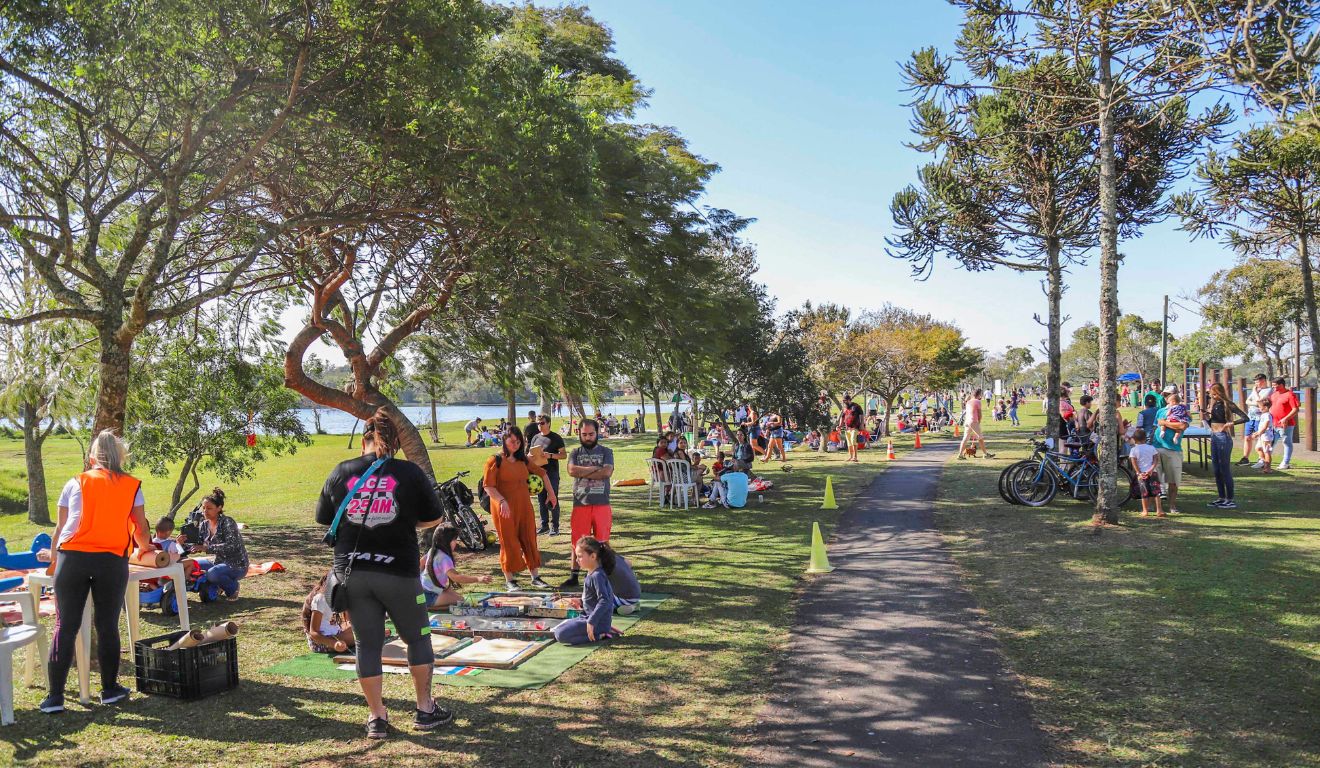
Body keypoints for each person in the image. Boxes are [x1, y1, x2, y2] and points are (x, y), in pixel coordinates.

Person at [315, 408, 451, 738]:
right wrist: (405, 521)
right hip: (399, 571)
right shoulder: (409, 472)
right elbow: (435, 517)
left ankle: (377, 717)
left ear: (364, 438)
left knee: (367, 644)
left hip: (353, 574)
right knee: (417, 638)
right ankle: (425, 709)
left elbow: (324, 518)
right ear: (396, 442)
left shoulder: (341, 471)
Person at [42, 430, 157, 714]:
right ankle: (110, 690)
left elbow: (60, 528)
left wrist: (54, 560)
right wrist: (146, 548)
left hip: (72, 558)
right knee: (107, 626)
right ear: (120, 457)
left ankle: (54, 697)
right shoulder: (132, 485)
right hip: (111, 560)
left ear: (92, 458)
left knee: (65, 626)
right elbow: (140, 528)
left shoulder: (75, 482)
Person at [483, 426, 556, 592]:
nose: (515, 445)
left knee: (529, 539)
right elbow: (488, 486)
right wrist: (502, 501)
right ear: (504, 440)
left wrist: (551, 494)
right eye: (512, 441)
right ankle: (510, 580)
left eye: (518, 442)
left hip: (524, 507)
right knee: (508, 541)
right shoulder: (495, 461)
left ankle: (535, 577)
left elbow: (543, 474)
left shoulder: (523, 459)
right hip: (504, 509)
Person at [561, 419, 614, 589]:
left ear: (597, 433)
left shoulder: (606, 451)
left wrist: (583, 472)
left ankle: (605, 574)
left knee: (603, 541)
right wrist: (594, 468)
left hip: (601, 503)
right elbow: (571, 470)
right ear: (579, 434)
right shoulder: (575, 453)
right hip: (580, 503)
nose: (588, 437)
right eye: (584, 434)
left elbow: (606, 472)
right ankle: (574, 576)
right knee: (577, 541)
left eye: (591, 434)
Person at [184, 488, 249, 601]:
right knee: (190, 564)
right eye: (204, 508)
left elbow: (231, 546)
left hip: (237, 565)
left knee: (212, 574)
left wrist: (206, 548)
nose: (205, 511)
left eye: (209, 508)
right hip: (218, 562)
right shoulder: (204, 524)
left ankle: (233, 588)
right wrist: (182, 545)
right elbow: (199, 544)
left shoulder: (227, 522)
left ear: (219, 508)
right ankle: (214, 586)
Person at [552, 537, 619, 646]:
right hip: (587, 618)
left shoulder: (597, 576)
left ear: (593, 556)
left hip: (596, 622)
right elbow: (593, 598)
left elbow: (605, 601)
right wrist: (580, 601)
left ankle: (600, 634)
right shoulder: (591, 573)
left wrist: (592, 621)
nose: (577, 560)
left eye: (580, 556)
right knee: (558, 629)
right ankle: (602, 631)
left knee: (560, 634)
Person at [420, 524, 493, 609]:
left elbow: (420, 564)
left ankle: (427, 603)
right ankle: (430, 607)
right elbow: (456, 577)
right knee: (461, 601)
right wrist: (478, 579)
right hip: (429, 596)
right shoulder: (444, 558)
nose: (456, 542)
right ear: (447, 541)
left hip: (421, 592)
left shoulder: (432, 551)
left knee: (457, 596)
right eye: (455, 539)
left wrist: (420, 580)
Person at [1202, 382, 1248, 510]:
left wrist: (1231, 423)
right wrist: (1207, 417)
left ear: (1219, 393)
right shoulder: (1215, 404)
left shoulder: (1228, 404)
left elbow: (1245, 418)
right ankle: (1221, 497)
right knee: (1216, 469)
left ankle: (1230, 499)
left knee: (1224, 469)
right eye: (1211, 394)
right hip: (1214, 436)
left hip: (1223, 438)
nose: (1212, 396)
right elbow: (1214, 421)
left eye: (1214, 394)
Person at [529, 416, 567, 536]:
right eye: (538, 423)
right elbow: (529, 453)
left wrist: (550, 455)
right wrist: (530, 457)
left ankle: (555, 527)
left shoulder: (556, 438)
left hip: (552, 473)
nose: (540, 425)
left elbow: (564, 455)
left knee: (552, 498)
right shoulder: (535, 437)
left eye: (542, 423)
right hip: (538, 473)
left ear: (549, 423)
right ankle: (544, 525)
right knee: (541, 500)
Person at [303, 572, 356, 654]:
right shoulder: (320, 599)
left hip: (336, 635)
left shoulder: (339, 598)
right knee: (360, 634)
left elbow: (349, 621)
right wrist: (334, 644)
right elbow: (313, 633)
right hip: (322, 642)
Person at [1152, 392, 1187, 514]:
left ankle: (1172, 506)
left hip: (1173, 450)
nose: (1170, 400)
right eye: (1167, 397)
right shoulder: (1160, 411)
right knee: (1155, 479)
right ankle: (1155, 506)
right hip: (1156, 447)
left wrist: (1165, 423)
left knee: (1173, 481)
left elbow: (1182, 425)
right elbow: (1157, 424)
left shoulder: (1183, 410)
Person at [1128, 429, 1164, 518]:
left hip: (1141, 474)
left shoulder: (1134, 450)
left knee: (1144, 493)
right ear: (1145, 438)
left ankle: (1145, 510)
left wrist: (1138, 472)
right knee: (1156, 492)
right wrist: (1151, 469)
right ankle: (1159, 510)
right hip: (1153, 473)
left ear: (1134, 439)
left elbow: (1134, 462)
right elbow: (1156, 459)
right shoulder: (1151, 448)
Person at [1240, 374, 1270, 466]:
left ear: (1264, 381)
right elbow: (1247, 401)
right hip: (1251, 417)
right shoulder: (1256, 390)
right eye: (1255, 382)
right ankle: (1245, 458)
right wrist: (1256, 402)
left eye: (1258, 382)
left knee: (1260, 438)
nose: (1256, 384)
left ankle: (1262, 458)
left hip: (1260, 418)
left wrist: (1254, 393)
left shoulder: (1268, 390)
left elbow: (1259, 401)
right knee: (1247, 437)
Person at [1270, 377, 1300, 471]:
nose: (1273, 388)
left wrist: (1285, 418)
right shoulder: (1274, 394)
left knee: (1286, 442)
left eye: (1275, 386)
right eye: (1272, 386)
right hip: (1273, 424)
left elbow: (1295, 409)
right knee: (1270, 442)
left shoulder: (1290, 395)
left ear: (1281, 385)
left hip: (1286, 425)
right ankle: (1265, 461)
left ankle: (1285, 463)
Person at [958, 388, 993, 459]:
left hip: (967, 421)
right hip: (973, 421)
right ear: (979, 394)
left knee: (965, 438)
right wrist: (979, 421)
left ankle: (960, 455)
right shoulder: (978, 402)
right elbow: (979, 414)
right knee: (980, 438)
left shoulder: (968, 402)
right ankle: (985, 454)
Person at [608, 547, 642, 615]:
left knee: (599, 605)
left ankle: (633, 606)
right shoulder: (614, 556)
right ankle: (632, 604)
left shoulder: (602, 565)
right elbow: (629, 563)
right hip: (636, 592)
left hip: (624, 598)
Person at [838, 394, 864, 463]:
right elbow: (842, 417)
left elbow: (861, 415)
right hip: (847, 428)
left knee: (853, 441)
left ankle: (855, 457)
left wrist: (862, 424)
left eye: (845, 400)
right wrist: (840, 425)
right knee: (849, 443)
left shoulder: (856, 406)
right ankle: (851, 457)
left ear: (849, 400)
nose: (844, 402)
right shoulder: (845, 408)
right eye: (843, 401)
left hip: (855, 427)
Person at [1253, 397, 1275, 473]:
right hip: (1262, 436)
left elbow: (1265, 426)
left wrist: (1258, 433)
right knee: (1258, 448)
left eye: (1260, 407)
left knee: (1267, 451)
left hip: (1266, 436)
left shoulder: (1267, 415)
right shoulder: (1263, 415)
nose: (1259, 408)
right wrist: (1257, 432)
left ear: (1265, 407)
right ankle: (1264, 461)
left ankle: (1267, 468)